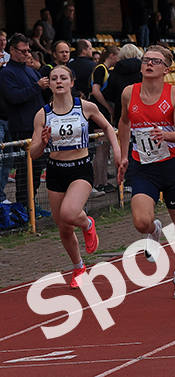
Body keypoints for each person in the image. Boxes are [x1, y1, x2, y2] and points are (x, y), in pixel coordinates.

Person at [30, 66, 121, 289]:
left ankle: (88, 223)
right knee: (63, 227)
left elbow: (108, 127)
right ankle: (79, 267)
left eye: (63, 78)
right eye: (54, 78)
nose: (58, 81)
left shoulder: (85, 107)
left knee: (69, 213)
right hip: (55, 170)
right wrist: (42, 141)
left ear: (72, 82)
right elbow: (33, 153)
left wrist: (117, 151)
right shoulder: (42, 114)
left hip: (80, 169)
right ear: (49, 84)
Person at [117, 46, 175, 298]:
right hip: (142, 167)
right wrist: (123, 155)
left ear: (166, 69)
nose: (149, 64)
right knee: (141, 222)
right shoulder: (129, 93)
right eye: (146, 60)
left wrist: (165, 134)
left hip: (170, 167)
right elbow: (124, 122)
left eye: (155, 61)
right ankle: (153, 231)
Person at [0, 34, 51, 217]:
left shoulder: (30, 70)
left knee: (37, 168)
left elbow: (38, 97)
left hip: (38, 125)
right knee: (25, 169)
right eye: (23, 51)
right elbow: (14, 97)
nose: (26, 54)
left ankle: (31, 201)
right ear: (12, 51)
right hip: (22, 127)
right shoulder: (6, 73)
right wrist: (37, 86)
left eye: (28, 50)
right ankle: (24, 205)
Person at [90, 46, 119, 193]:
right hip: (99, 112)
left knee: (104, 148)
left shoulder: (107, 70)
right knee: (101, 148)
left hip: (103, 112)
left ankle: (103, 181)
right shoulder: (101, 69)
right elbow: (95, 91)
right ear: (112, 55)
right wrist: (108, 107)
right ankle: (99, 182)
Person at [103, 44, 143, 125]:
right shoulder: (144, 70)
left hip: (121, 110)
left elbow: (110, 94)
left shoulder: (116, 71)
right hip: (142, 109)